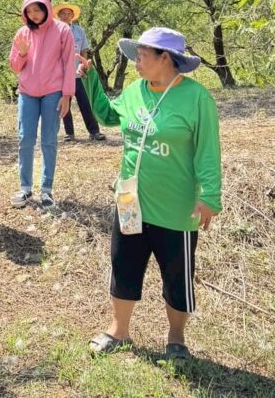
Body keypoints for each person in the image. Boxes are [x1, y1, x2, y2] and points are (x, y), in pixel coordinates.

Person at [86, 27, 222, 362]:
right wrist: (89, 81)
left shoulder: (196, 98)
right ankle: (119, 331)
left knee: (177, 276)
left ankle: (176, 340)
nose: (136, 62)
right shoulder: (135, 91)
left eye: (142, 56)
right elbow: (108, 115)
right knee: (124, 266)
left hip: (176, 207)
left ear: (166, 58)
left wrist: (211, 196)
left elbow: (207, 150)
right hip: (130, 201)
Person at [9, 0, 76, 209]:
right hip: (27, 92)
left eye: (37, 9)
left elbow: (68, 63)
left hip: (53, 91)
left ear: (46, 8)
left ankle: (46, 190)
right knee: (25, 138)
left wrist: (67, 94)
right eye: (29, 11)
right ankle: (25, 188)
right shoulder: (22, 33)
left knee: (49, 139)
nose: (34, 15)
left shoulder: (62, 30)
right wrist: (22, 53)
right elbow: (15, 67)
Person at [53, 3, 106, 142]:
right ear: (59, 15)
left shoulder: (79, 31)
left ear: (72, 16)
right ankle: (69, 133)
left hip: (78, 73)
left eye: (68, 13)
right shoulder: (54, 31)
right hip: (62, 75)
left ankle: (94, 132)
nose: (66, 16)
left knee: (85, 102)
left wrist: (84, 65)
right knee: (65, 103)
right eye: (63, 13)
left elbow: (83, 50)